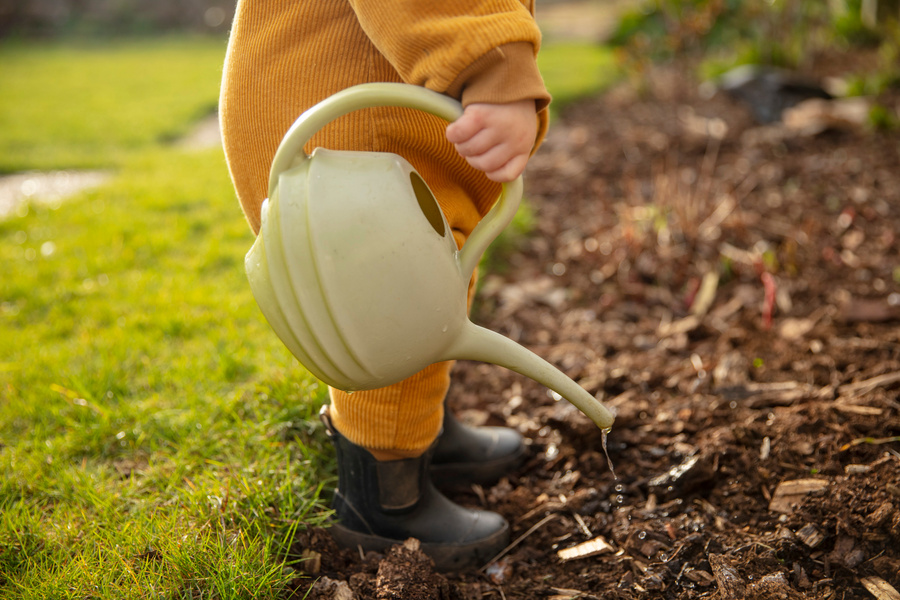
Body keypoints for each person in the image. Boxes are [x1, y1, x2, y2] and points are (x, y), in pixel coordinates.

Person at [220, 0, 551, 570]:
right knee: (387, 298)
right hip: (356, 113)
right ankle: (385, 496)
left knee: (433, 268)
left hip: (364, 92)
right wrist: (493, 66)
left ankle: (424, 432)